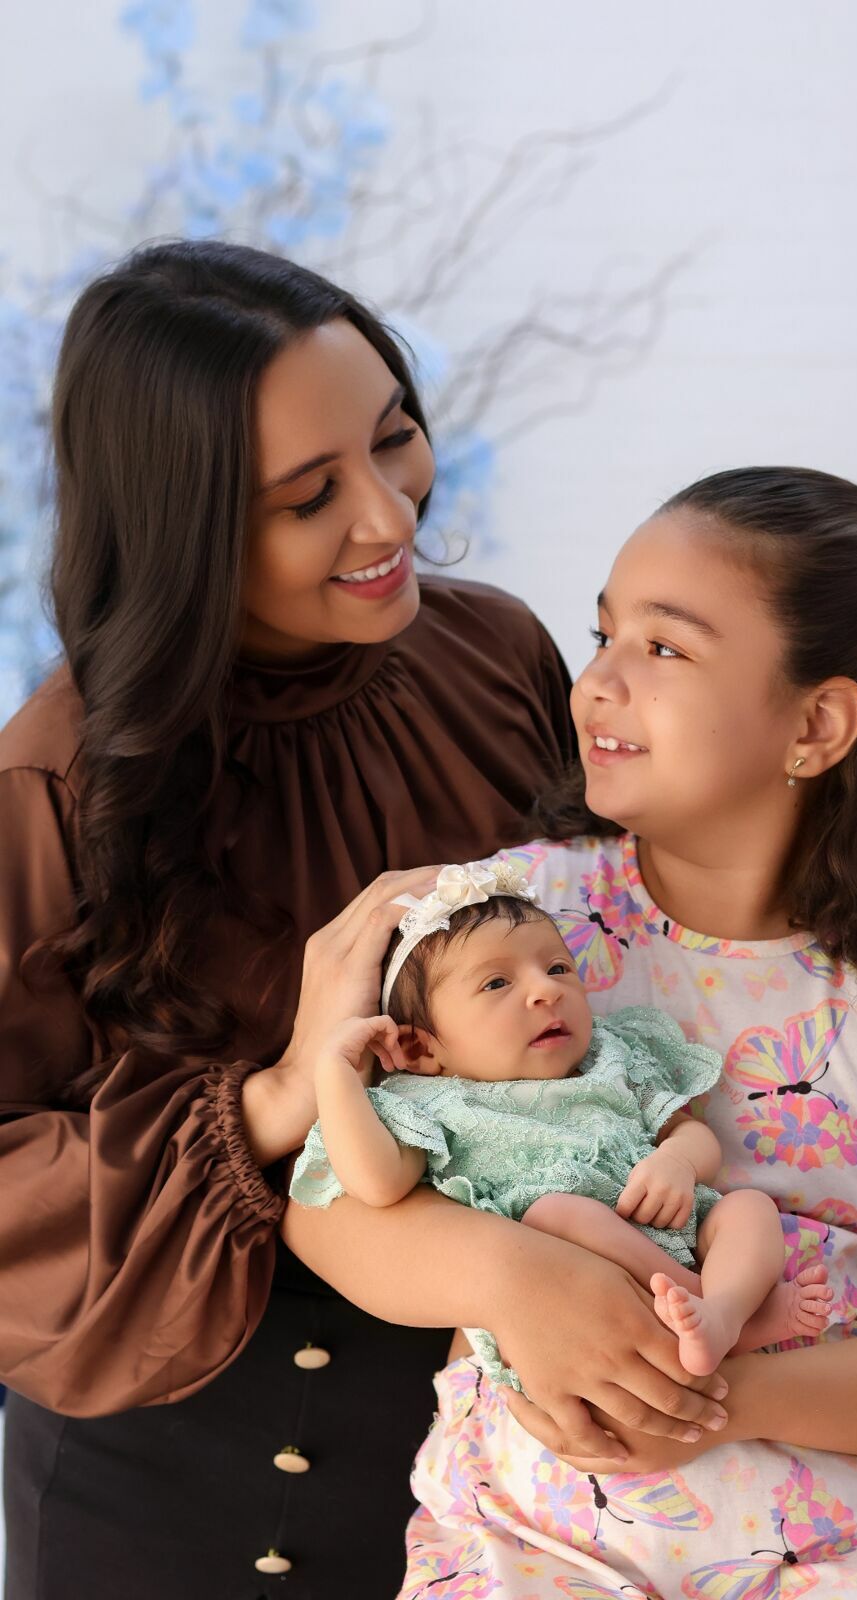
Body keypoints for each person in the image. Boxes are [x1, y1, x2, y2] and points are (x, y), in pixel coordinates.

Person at [0, 237, 719, 1600]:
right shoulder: (59, 786)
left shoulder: (493, 656)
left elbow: (618, 965)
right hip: (182, 1468)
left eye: (393, 438)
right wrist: (278, 1095)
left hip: (492, 1451)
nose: (389, 518)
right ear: (184, 520)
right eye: (306, 496)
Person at [288, 468, 857, 1597]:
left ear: (815, 724)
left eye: (662, 648)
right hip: (537, 1549)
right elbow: (327, 1204)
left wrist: (718, 1398)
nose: (597, 682)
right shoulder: (502, 923)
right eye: (601, 634)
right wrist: (515, 1280)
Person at [288, 860, 834, 1380]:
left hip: (673, 1230)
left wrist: (678, 1162)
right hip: (569, 1293)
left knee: (747, 1209)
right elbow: (377, 1184)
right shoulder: (431, 1103)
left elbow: (690, 1132)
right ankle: (708, 1310)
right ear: (419, 1048)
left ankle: (725, 1313)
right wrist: (334, 1072)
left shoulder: (612, 1058)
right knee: (556, 1214)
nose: (547, 990)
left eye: (557, 968)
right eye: (496, 984)